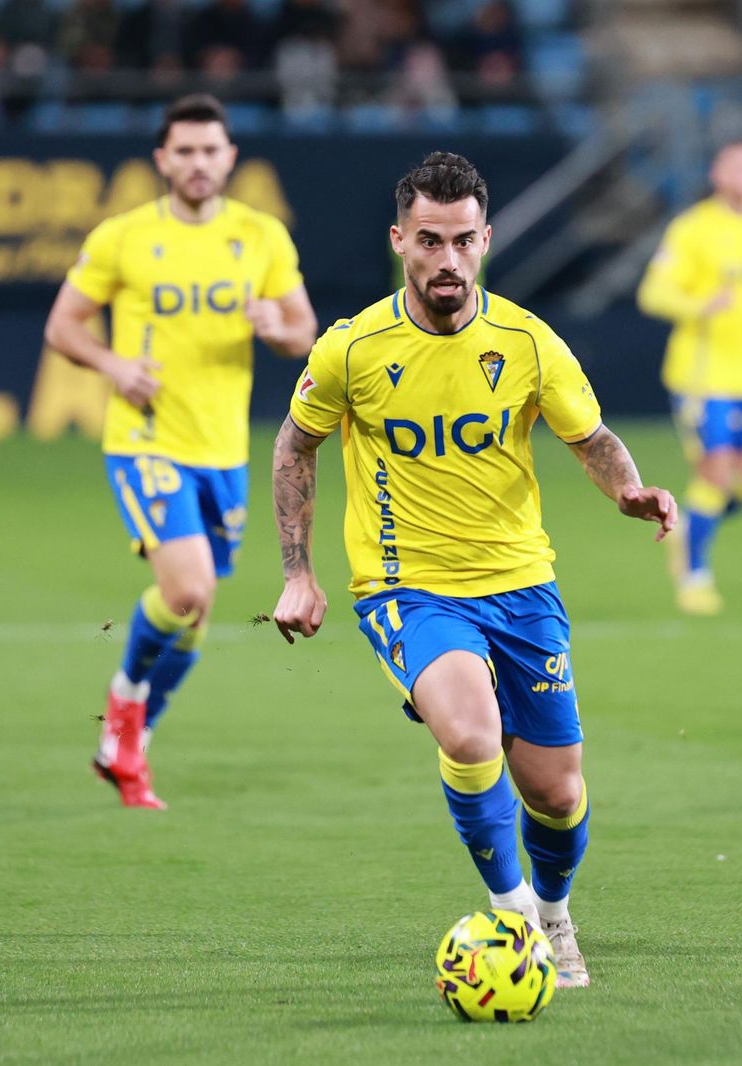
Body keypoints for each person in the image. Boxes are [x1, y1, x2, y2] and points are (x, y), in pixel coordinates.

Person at [269, 152, 677, 988]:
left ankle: (556, 912)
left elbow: (591, 439)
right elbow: (295, 443)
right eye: (429, 241)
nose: (446, 260)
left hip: (522, 585)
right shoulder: (352, 348)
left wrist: (627, 488)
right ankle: (517, 916)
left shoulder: (528, 342)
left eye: (461, 241)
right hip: (406, 587)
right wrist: (298, 573)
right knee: (469, 732)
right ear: (400, 242)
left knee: (558, 797)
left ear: (485, 240)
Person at [45, 94, 317, 809]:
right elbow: (63, 326)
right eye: (185, 151)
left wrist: (275, 324)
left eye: (211, 150)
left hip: (223, 451)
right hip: (146, 440)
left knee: (192, 616)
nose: (199, 163)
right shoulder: (124, 237)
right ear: (162, 160)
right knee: (189, 588)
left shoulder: (261, 236)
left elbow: (305, 332)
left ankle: (129, 739)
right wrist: (113, 368)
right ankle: (126, 704)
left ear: (230, 157)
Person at [636, 140, 742, 615]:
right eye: (734, 166)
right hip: (700, 375)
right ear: (717, 174)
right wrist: (699, 305)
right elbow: (652, 293)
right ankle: (695, 575)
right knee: (715, 469)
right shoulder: (693, 228)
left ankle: (691, 524)